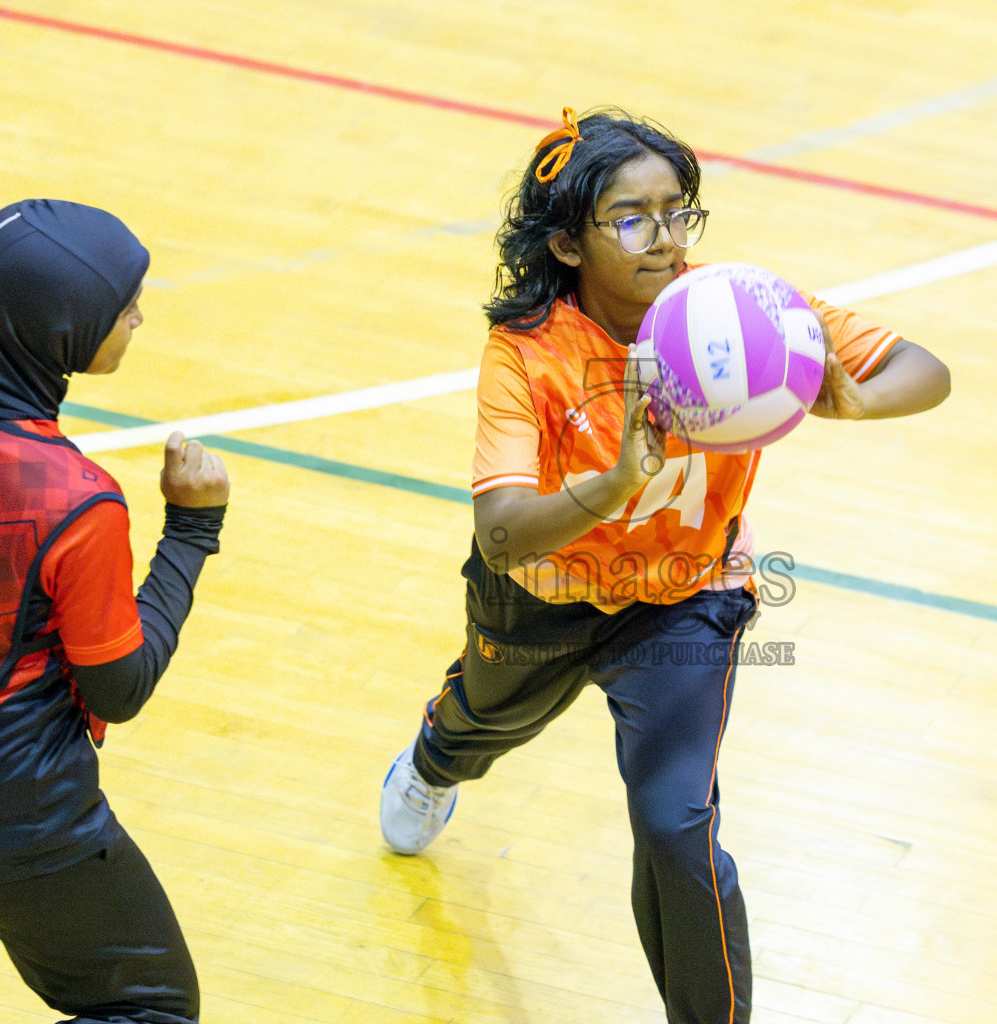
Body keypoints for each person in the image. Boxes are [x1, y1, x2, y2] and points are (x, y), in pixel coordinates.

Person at [377, 107, 950, 1023]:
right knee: (483, 721)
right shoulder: (525, 353)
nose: (667, 240)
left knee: (676, 823)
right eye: (633, 219)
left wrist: (857, 400)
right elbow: (502, 535)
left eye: (680, 212)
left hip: (685, 604)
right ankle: (434, 762)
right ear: (568, 243)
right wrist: (612, 485)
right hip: (545, 594)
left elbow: (925, 368)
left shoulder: (744, 307)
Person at [0, 199, 230, 1024]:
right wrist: (192, 529)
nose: (139, 314)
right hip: (0, 798)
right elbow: (119, 689)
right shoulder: (72, 501)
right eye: (121, 307)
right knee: (150, 1007)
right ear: (58, 327)